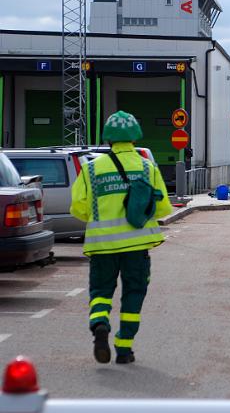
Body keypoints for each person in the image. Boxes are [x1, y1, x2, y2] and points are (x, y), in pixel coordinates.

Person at [69, 111, 172, 365]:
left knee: (101, 292)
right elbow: (163, 209)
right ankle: (124, 349)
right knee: (133, 293)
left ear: (108, 140)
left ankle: (100, 323)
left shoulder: (91, 169)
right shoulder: (147, 168)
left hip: (102, 246)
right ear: (135, 138)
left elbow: (78, 208)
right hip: (136, 246)